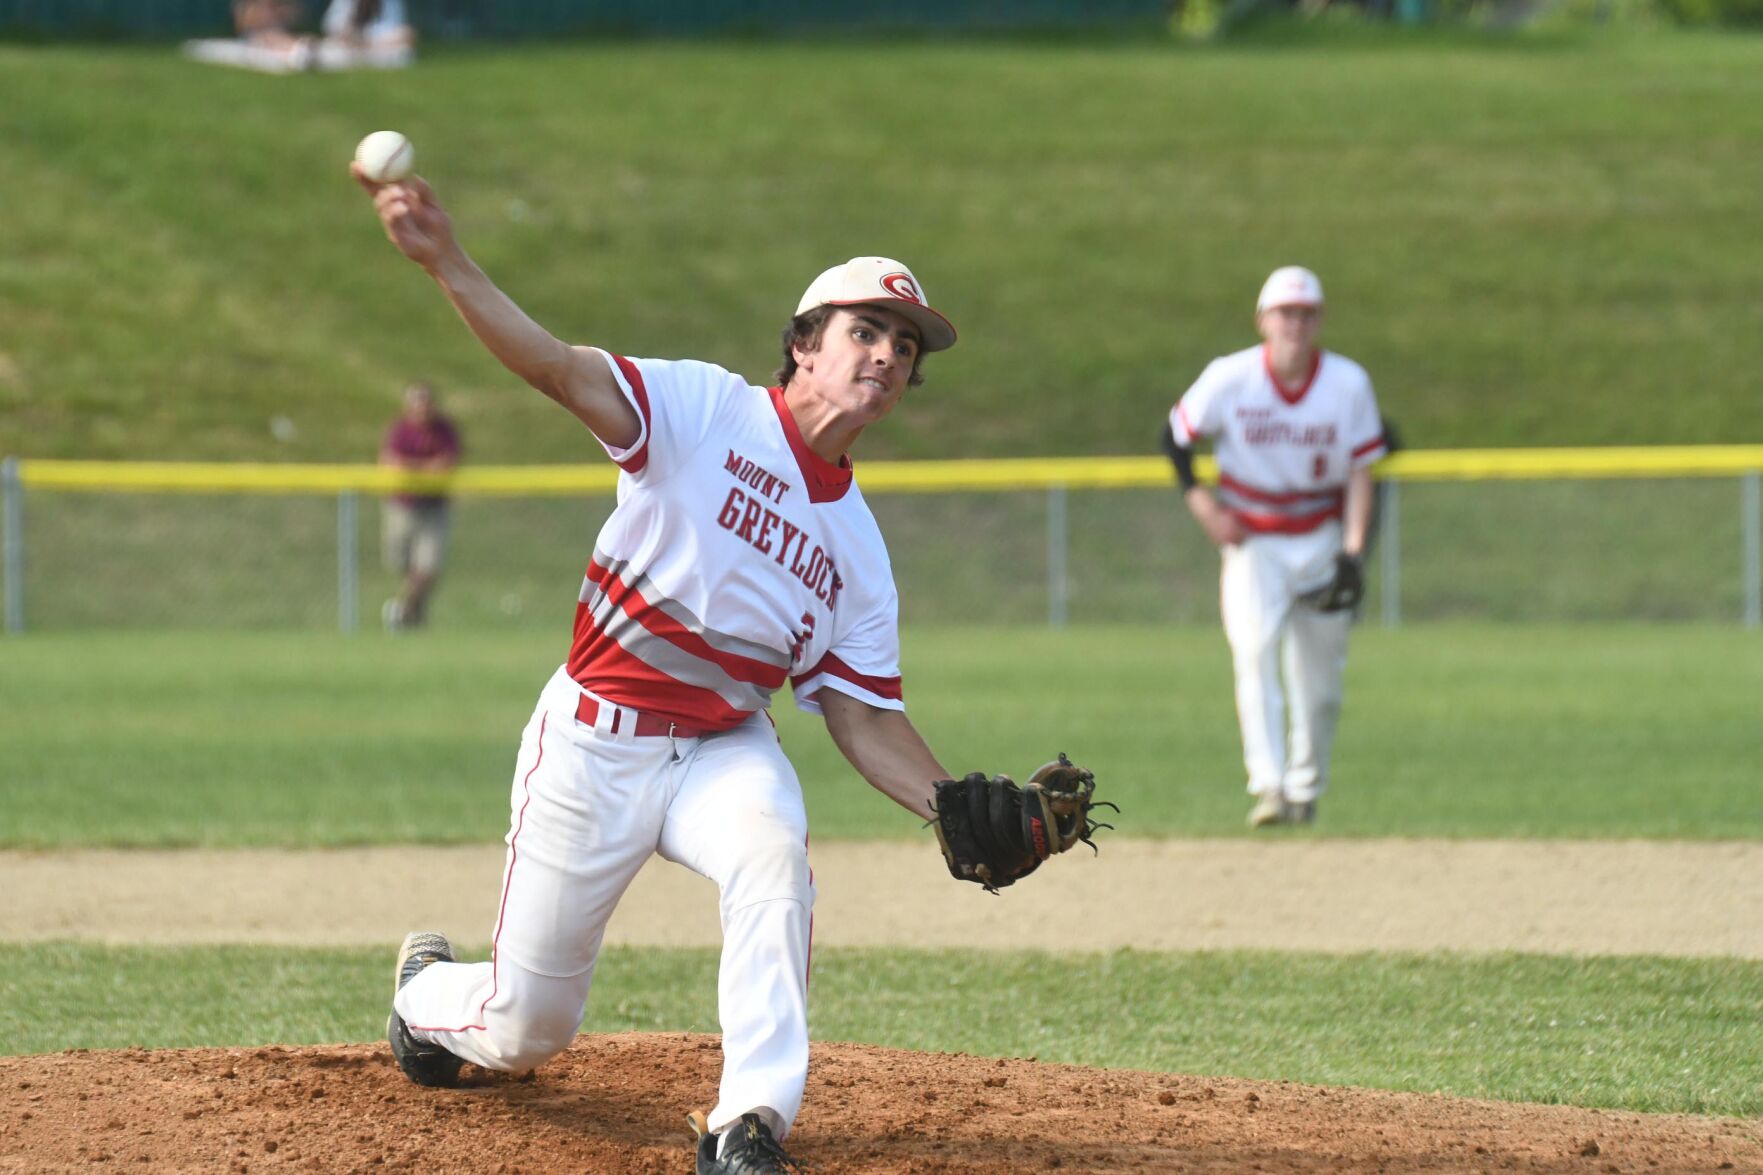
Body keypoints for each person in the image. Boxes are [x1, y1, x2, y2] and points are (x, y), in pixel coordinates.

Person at [353, 160, 966, 1174]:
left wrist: (950, 802)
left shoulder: (857, 549)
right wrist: (448, 262)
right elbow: (554, 366)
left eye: (904, 344)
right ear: (804, 345)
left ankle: (748, 1123)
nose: (888, 354)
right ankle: (426, 998)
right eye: (865, 330)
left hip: (722, 746)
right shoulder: (701, 410)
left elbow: (861, 718)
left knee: (773, 858)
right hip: (594, 738)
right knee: (524, 1028)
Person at [1161, 266, 1388, 827]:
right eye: (1286, 313)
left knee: (1321, 680)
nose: (1296, 323)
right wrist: (1204, 505)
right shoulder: (1231, 377)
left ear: (1320, 321)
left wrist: (1354, 553)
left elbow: (1363, 471)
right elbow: (1176, 436)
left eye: (1306, 313)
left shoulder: (1347, 383)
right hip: (1253, 540)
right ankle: (1268, 787)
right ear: (1264, 320)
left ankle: (1304, 790)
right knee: (1254, 654)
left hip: (1319, 535)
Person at [378, 381, 460, 631]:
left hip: (433, 507)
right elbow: (390, 463)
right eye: (416, 402)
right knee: (399, 563)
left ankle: (400, 611)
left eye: (425, 401)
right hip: (402, 505)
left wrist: (411, 468)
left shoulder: (443, 430)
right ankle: (413, 614)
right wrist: (423, 469)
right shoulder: (399, 430)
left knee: (428, 566)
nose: (421, 407)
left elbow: (444, 465)